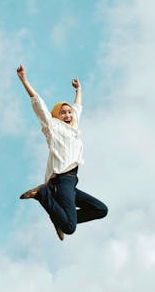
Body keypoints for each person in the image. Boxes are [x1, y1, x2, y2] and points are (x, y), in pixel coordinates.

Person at [16, 64, 108, 241]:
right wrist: (24, 80)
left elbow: (78, 108)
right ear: (56, 116)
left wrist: (79, 90)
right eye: (63, 112)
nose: (68, 115)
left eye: (69, 113)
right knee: (70, 228)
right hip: (61, 180)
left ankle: (59, 218)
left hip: (71, 183)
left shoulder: (73, 128)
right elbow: (39, 105)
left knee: (100, 210)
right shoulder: (53, 126)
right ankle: (42, 194)